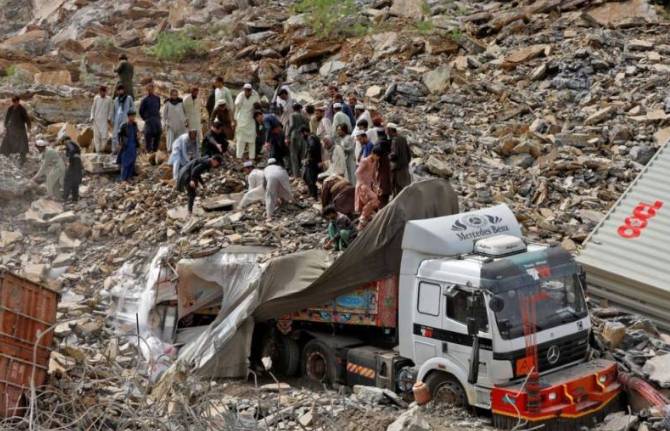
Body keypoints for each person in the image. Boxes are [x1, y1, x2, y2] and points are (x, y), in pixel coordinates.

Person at [355, 146, 381, 229]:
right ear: (373, 154)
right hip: (362, 186)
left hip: (369, 185)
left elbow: (373, 175)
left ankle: (365, 218)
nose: (378, 158)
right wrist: (362, 184)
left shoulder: (374, 162)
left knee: (375, 201)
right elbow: (357, 173)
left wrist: (376, 185)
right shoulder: (365, 161)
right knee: (374, 198)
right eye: (377, 156)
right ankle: (363, 216)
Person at [0, 96, 31, 164]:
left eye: (16, 102)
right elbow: (7, 117)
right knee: (7, 140)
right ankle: (5, 154)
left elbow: (27, 118)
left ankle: (23, 158)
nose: (15, 103)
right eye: (14, 102)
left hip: (20, 129)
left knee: (22, 143)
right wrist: (5, 125)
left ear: (18, 101)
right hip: (12, 128)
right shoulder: (10, 108)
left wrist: (29, 127)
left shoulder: (22, 109)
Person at [234, 83, 261, 160]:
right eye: (246, 90)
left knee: (252, 140)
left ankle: (251, 157)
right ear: (244, 90)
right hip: (241, 119)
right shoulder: (240, 96)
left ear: (251, 90)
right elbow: (237, 107)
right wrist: (235, 120)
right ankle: (239, 157)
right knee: (240, 140)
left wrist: (257, 107)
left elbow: (258, 106)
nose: (247, 92)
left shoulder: (255, 95)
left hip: (251, 119)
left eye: (249, 90)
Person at [387, 123, 411, 196]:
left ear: (391, 130)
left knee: (398, 191)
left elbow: (394, 155)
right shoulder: (403, 139)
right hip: (405, 168)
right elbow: (408, 153)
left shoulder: (395, 140)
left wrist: (388, 157)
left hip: (398, 170)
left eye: (387, 131)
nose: (387, 133)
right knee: (405, 189)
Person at [117, 110, 140, 182]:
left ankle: (129, 177)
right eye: (131, 116)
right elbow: (119, 135)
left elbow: (136, 134)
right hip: (126, 146)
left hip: (133, 145)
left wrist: (138, 144)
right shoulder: (124, 125)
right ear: (128, 117)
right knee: (125, 162)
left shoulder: (134, 125)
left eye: (134, 116)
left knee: (132, 162)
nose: (133, 118)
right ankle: (123, 179)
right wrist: (120, 143)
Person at [139, 82, 162, 153]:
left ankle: (155, 151)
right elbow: (141, 111)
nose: (150, 90)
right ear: (147, 90)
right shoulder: (144, 100)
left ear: (154, 89)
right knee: (148, 134)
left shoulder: (157, 98)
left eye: (151, 89)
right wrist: (145, 118)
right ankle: (148, 151)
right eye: (148, 89)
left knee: (158, 134)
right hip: (149, 120)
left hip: (156, 119)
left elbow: (158, 107)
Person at [287, 103, 309, 177]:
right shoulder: (304, 116)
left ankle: (296, 175)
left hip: (294, 136)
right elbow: (307, 126)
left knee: (294, 156)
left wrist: (287, 135)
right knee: (302, 156)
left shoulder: (292, 115)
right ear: (300, 109)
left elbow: (291, 125)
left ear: (293, 109)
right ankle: (304, 174)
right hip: (302, 137)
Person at [90, 86, 113, 153]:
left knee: (104, 137)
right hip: (96, 120)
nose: (102, 93)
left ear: (105, 92)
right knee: (96, 136)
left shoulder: (109, 99)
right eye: (101, 92)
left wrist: (109, 118)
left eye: (103, 92)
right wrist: (92, 117)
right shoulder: (96, 98)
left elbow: (111, 110)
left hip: (104, 121)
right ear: (99, 92)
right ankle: (97, 151)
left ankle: (102, 149)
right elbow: (93, 108)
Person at [111, 85, 134, 154]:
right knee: (115, 135)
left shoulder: (129, 98)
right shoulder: (115, 100)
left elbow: (132, 108)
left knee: (126, 135)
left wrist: (131, 119)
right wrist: (113, 121)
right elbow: (114, 111)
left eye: (121, 90)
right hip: (117, 120)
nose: (120, 91)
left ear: (123, 90)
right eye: (118, 90)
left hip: (126, 119)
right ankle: (115, 151)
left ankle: (126, 150)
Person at [302, 131, 322, 199]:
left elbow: (312, 147)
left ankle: (313, 195)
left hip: (312, 162)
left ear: (304, 132)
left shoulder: (310, 138)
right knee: (308, 177)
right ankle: (312, 194)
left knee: (310, 178)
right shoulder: (313, 137)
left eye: (301, 134)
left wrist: (308, 157)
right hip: (314, 161)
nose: (301, 136)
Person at [62, 137, 82, 202]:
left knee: (67, 179)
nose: (64, 144)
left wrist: (69, 160)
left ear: (65, 140)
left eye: (63, 142)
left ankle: (64, 197)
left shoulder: (68, 142)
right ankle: (75, 199)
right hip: (78, 163)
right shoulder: (74, 143)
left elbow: (72, 150)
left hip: (74, 162)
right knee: (75, 180)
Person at [374, 140, 392, 208]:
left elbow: (375, 168)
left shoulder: (381, 157)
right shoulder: (387, 155)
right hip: (387, 181)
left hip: (382, 181)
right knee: (385, 199)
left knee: (381, 200)